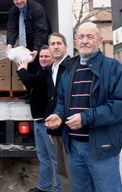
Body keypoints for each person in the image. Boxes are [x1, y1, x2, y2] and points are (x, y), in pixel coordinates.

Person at [45, 22, 122, 192]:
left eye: (90, 36)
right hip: (74, 147)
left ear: (99, 41)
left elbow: (120, 105)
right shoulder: (69, 70)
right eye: (81, 37)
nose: (85, 41)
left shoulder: (113, 68)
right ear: (75, 42)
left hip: (102, 146)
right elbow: (62, 100)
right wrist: (59, 115)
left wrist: (85, 118)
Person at [17, 46, 61, 192]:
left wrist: (22, 68)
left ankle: (59, 189)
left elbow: (29, 81)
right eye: (41, 56)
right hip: (38, 122)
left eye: (46, 56)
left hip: (46, 123)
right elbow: (32, 83)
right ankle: (44, 187)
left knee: (55, 159)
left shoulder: (48, 73)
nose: (43, 59)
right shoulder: (41, 71)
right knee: (43, 157)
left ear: (53, 58)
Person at [6, 0, 49, 103]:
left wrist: (36, 49)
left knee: (36, 68)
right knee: (23, 68)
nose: (18, 1)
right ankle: (29, 92)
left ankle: (37, 95)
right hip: (23, 42)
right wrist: (9, 44)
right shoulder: (13, 11)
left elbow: (41, 31)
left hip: (37, 41)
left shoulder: (37, 8)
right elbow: (12, 28)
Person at [46, 32, 71, 192]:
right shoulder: (51, 69)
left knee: (71, 168)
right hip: (55, 126)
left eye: (59, 43)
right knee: (61, 168)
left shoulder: (71, 67)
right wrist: (50, 128)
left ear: (65, 46)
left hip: (69, 126)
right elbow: (52, 99)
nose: (55, 46)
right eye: (52, 44)